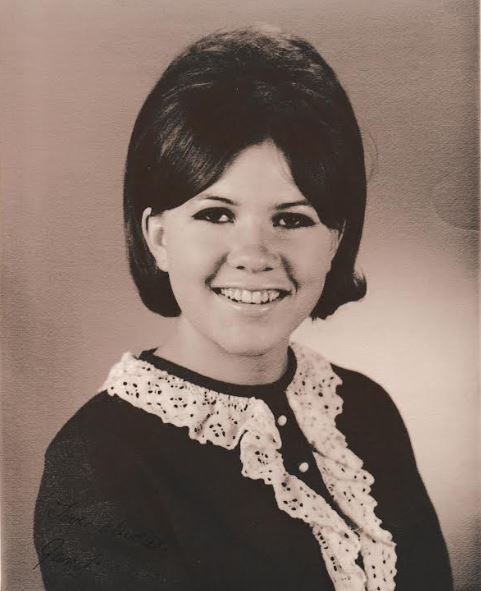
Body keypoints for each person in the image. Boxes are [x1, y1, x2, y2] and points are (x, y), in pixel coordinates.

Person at [34, 26, 453, 591]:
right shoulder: (98, 461)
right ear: (158, 236)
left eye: (292, 219)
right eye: (216, 214)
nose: (255, 256)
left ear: (334, 241)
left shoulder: (366, 410)